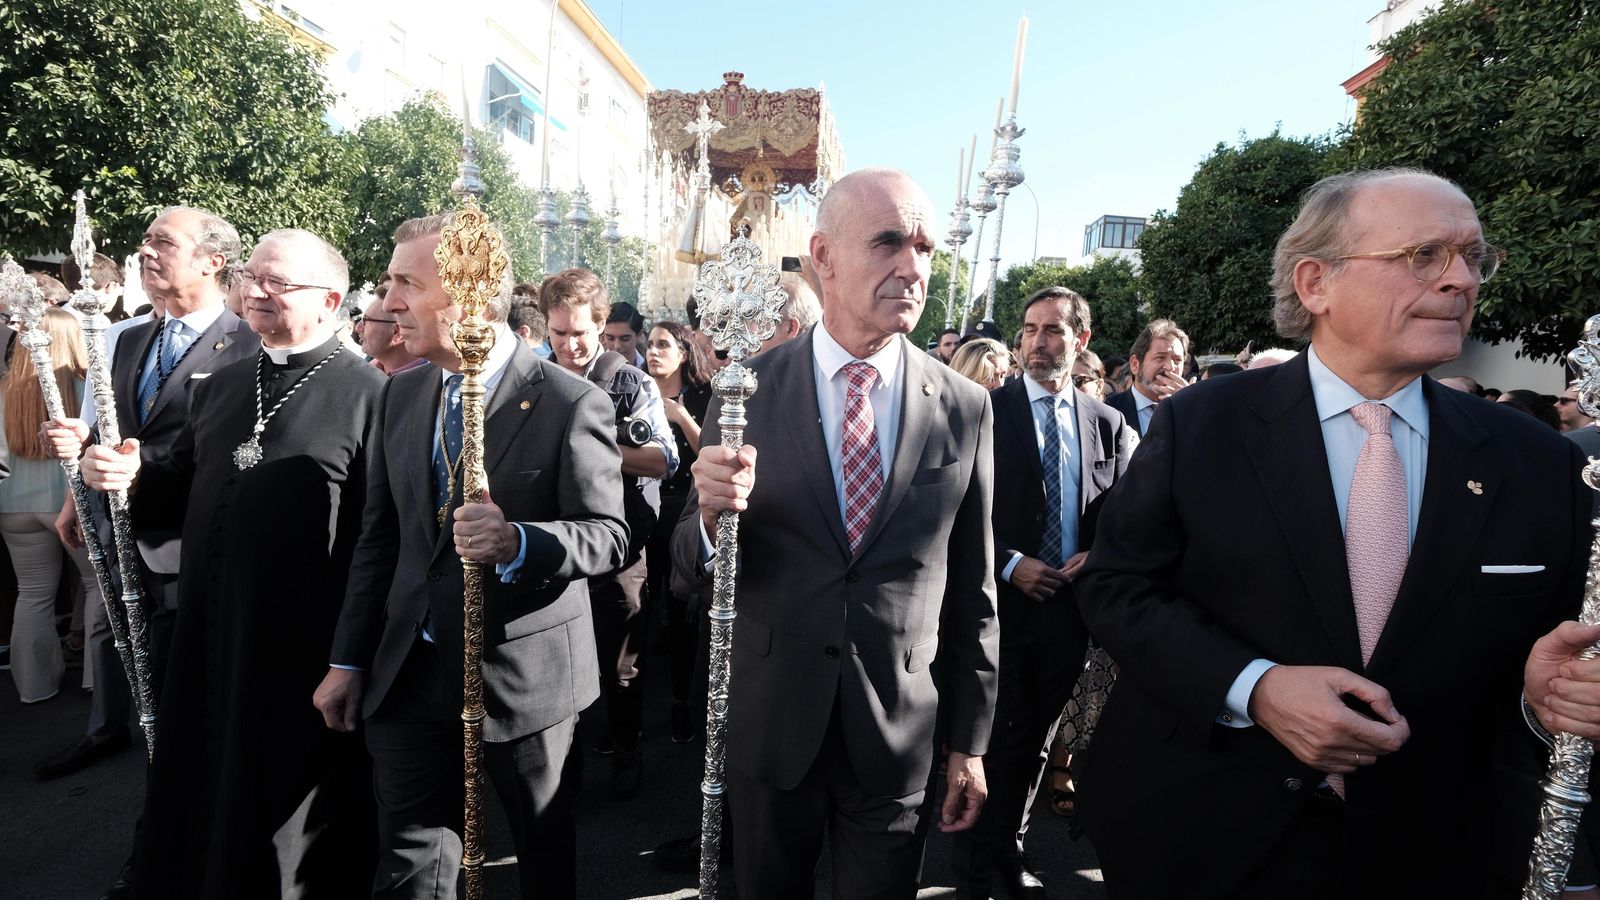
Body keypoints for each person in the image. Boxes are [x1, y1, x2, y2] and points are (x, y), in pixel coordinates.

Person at [1075, 167, 1600, 897]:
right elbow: (1116, 585)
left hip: (1440, 848)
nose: (1461, 280)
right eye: (1423, 255)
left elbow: (1555, 648)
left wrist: (1545, 693)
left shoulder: (1537, 463)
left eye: (1474, 257)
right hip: (1205, 835)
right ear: (1316, 282)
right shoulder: (1205, 424)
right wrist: (1253, 689)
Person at [672, 167, 999, 899]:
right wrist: (708, 517)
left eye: (923, 246)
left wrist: (969, 744)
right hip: (771, 720)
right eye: (887, 243)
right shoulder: (745, 392)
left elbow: (974, 593)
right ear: (822, 256)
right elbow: (689, 572)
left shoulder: (964, 406)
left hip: (897, 730)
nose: (911, 267)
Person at [313, 213, 627, 900]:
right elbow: (380, 539)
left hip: (522, 676)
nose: (388, 301)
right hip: (409, 671)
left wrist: (518, 542)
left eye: (405, 283)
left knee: (541, 858)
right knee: (409, 864)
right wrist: (349, 659)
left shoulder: (572, 403)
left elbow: (608, 534)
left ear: (469, 292)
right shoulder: (400, 391)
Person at [80, 228, 381, 898]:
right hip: (204, 636)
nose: (257, 290)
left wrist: (351, 659)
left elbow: (375, 544)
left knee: (283, 828)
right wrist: (127, 474)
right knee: (194, 794)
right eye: (253, 276)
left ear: (331, 298)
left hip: (297, 654)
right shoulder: (219, 386)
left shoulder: (371, 396)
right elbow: (178, 481)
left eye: (279, 283)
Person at [37, 207, 259, 801]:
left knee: (186, 688)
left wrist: (144, 472)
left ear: (214, 260)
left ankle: (184, 802)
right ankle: (113, 732)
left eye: (163, 240)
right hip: (120, 535)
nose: (145, 250)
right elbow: (104, 431)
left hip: (195, 550)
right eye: (144, 240)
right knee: (117, 639)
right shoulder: (123, 336)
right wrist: (77, 464)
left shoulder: (249, 345)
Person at [951, 287, 1134, 899]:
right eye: (1028, 330)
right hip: (993, 608)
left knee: (1032, 745)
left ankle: (1007, 852)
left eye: (1052, 330)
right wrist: (1009, 564)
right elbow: (954, 511)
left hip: (1066, 612)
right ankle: (973, 863)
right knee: (987, 739)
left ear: (1080, 341)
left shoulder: (1106, 423)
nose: (1037, 342)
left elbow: (1120, 514)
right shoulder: (981, 408)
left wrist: (1098, 554)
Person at [540, 269, 675, 798]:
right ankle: (564, 768)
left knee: (621, 663)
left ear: (601, 325)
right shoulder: (533, 379)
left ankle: (626, 748)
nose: (570, 346)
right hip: (552, 541)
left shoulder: (631, 383)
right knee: (556, 663)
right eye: (558, 334)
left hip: (621, 542)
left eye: (580, 333)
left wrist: (591, 453)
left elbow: (662, 460)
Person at [1, 309, 102, 703]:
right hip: (68, 502)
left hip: (12, 507)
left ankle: (34, 688)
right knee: (97, 587)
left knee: (32, 594)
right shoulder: (85, 388)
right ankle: (99, 681)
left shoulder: (4, 389)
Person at [643, 320, 711, 744]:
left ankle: (682, 700)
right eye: (648, 344)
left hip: (687, 512)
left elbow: (715, 453)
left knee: (682, 606)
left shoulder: (707, 396)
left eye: (663, 344)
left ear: (684, 352)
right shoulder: (635, 388)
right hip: (643, 507)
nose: (653, 352)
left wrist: (681, 415)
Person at [1104, 319, 1190, 436]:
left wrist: (1190, 406)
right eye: (1160, 357)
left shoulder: (1193, 409)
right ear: (1135, 364)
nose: (1170, 367)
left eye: (1177, 360)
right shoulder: (1108, 410)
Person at [356, 290, 422, 375]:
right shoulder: (363, 374)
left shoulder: (435, 380)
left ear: (397, 332)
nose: (358, 328)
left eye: (366, 320)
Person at [602, 299, 647, 368]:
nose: (617, 346)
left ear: (639, 335)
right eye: (610, 338)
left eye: (625, 339)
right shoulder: (592, 369)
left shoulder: (649, 370)